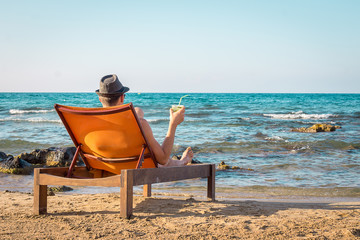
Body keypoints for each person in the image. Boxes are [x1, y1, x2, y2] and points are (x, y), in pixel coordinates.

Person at [95, 74, 193, 167]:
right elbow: (162, 159)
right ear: (121, 98)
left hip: (106, 167)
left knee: (138, 111)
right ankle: (182, 162)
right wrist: (173, 124)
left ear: (100, 99)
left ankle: (180, 162)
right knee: (160, 161)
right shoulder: (140, 124)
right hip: (133, 169)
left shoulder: (92, 123)